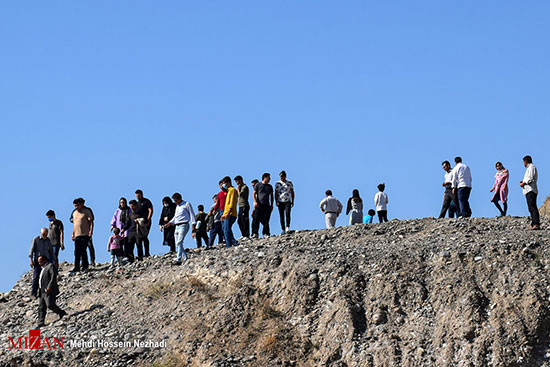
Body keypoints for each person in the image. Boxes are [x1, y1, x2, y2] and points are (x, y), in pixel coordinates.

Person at [164, 193, 196, 265]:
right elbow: (176, 217)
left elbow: (192, 214)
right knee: (178, 244)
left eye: (175, 200)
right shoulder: (177, 206)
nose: (174, 202)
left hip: (184, 225)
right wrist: (169, 223)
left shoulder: (186, 204)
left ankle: (178, 259)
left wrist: (193, 225)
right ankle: (185, 258)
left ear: (179, 199)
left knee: (179, 242)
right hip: (177, 226)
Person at [36, 256, 66, 328]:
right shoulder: (42, 269)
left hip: (49, 290)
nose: (39, 263)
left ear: (45, 260)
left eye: (40, 261)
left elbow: (53, 276)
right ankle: (40, 322)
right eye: (39, 262)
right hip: (42, 290)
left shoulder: (50, 266)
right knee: (41, 307)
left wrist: (49, 286)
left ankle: (61, 313)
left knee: (50, 304)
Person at [70, 198, 96, 267]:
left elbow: (91, 222)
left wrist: (91, 231)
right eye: (75, 206)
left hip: (85, 234)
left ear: (81, 204)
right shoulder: (74, 213)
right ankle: (76, 266)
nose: (76, 207)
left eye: (77, 205)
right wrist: (73, 234)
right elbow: (74, 224)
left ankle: (85, 265)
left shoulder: (87, 211)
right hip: (77, 234)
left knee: (84, 250)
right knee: (76, 252)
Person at [29, 228, 55, 298]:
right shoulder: (36, 240)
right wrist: (31, 260)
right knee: (36, 277)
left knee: (46, 277)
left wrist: (54, 260)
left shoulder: (48, 240)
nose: (45, 236)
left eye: (46, 235)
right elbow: (31, 250)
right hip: (38, 261)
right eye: (44, 235)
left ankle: (45, 292)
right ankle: (33, 293)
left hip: (46, 261)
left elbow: (51, 251)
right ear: (41, 233)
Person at [520, 155, 540, 230]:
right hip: (528, 190)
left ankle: (536, 223)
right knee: (530, 207)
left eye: (523, 162)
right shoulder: (529, 168)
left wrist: (524, 183)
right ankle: (533, 223)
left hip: (531, 190)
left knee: (532, 207)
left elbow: (530, 178)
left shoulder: (531, 167)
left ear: (525, 161)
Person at [252, 173, 274, 238]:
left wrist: (272, 205)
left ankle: (266, 233)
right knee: (256, 219)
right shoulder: (258, 185)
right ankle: (255, 233)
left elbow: (271, 196)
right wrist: (255, 202)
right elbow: (254, 194)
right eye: (268, 178)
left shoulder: (270, 186)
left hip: (267, 205)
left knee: (266, 220)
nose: (269, 179)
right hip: (259, 204)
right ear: (265, 177)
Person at [221, 176, 239, 248]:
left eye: (224, 183)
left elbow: (231, 203)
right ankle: (233, 242)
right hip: (226, 213)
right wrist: (223, 215)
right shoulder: (228, 191)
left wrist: (228, 212)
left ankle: (229, 245)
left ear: (228, 183)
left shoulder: (232, 191)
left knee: (226, 230)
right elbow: (226, 205)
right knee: (225, 229)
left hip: (231, 213)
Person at [135, 190, 153, 257]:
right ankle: (140, 254)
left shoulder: (146, 201)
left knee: (145, 236)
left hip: (145, 221)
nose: (138, 197)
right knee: (139, 238)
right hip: (139, 222)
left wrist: (148, 219)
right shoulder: (137, 203)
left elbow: (150, 210)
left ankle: (147, 253)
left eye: (138, 196)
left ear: (141, 195)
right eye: (136, 196)